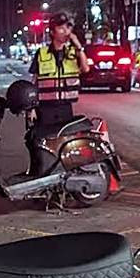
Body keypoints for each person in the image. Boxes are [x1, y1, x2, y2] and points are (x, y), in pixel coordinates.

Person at [27, 11, 91, 174]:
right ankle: (43, 175)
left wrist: (79, 47)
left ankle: (65, 178)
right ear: (52, 32)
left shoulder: (73, 52)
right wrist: (31, 107)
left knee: (65, 144)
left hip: (65, 107)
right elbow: (35, 81)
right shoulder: (42, 54)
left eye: (67, 28)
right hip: (45, 108)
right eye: (61, 28)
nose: (65, 32)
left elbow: (85, 68)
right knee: (41, 143)